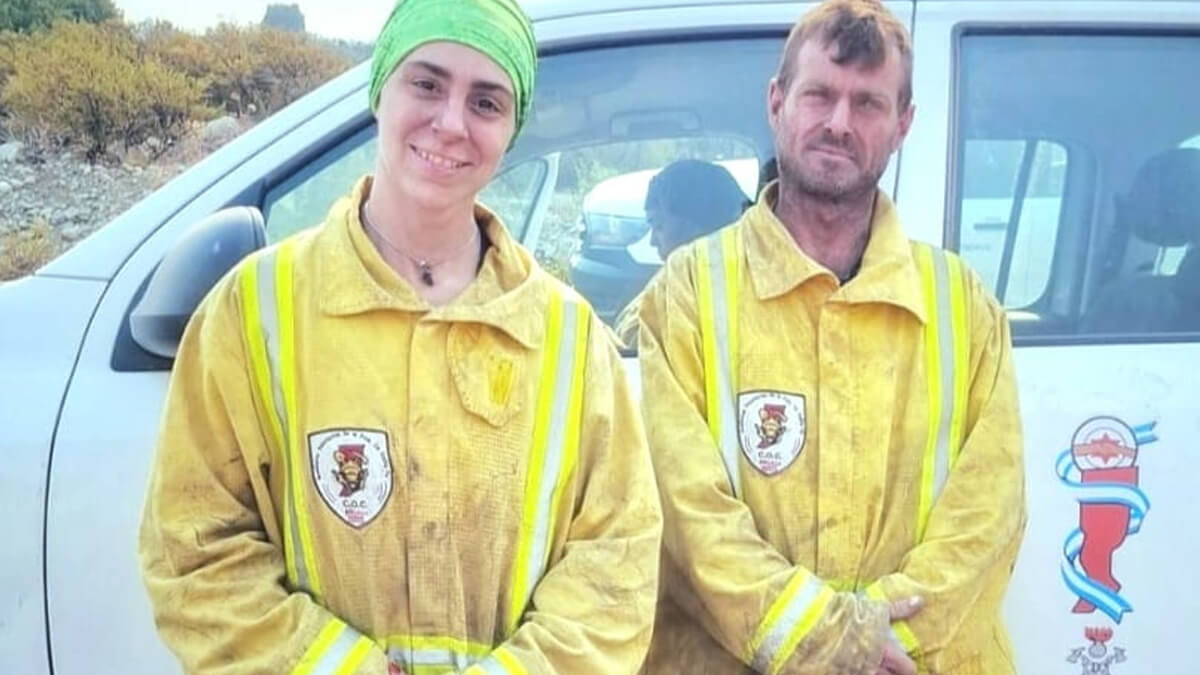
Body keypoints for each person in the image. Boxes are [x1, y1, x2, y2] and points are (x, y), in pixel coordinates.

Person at [138, 1, 663, 673]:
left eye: (486, 101)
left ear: (512, 129)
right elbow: (194, 549)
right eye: (427, 83)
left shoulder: (568, 335)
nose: (450, 123)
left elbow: (616, 567)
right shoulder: (253, 309)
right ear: (378, 89)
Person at [637, 1, 1026, 674]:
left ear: (903, 125)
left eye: (868, 104)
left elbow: (989, 519)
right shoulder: (689, 294)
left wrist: (878, 647)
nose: (839, 123)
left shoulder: (963, 305)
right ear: (778, 102)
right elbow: (687, 516)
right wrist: (824, 640)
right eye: (819, 94)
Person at [613, 159, 750, 346]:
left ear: (696, 228)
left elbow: (633, 347)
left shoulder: (675, 296)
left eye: (659, 226)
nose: (653, 241)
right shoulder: (760, 281)